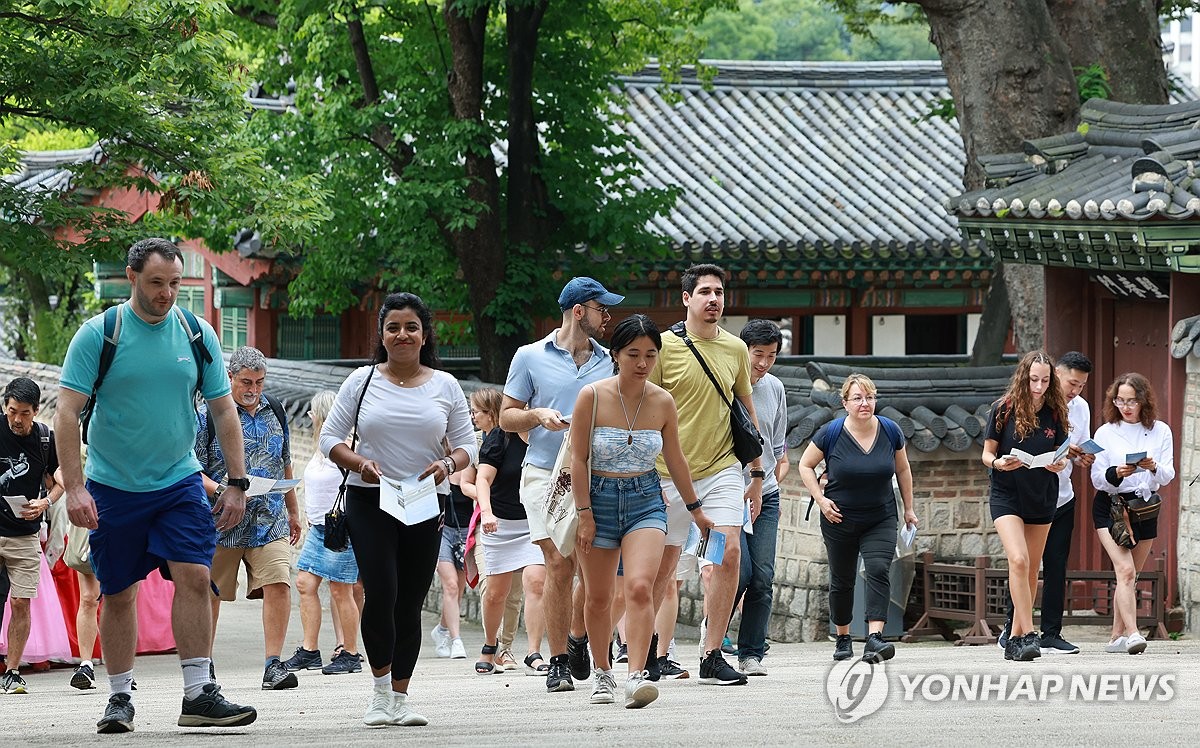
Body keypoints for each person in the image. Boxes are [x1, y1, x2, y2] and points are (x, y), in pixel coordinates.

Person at [56, 237, 257, 733]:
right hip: (112, 485)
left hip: (179, 480)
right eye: (155, 283)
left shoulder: (196, 333)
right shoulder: (99, 334)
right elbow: (65, 413)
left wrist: (236, 482)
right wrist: (76, 487)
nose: (167, 294)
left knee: (194, 576)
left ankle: (198, 693)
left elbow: (224, 410)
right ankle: (120, 698)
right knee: (118, 591)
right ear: (132, 277)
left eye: (173, 283)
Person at [319, 292, 476, 728]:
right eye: (394, 328)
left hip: (426, 500)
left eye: (411, 327)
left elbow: (468, 444)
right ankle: (379, 691)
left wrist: (447, 464)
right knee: (381, 590)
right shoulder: (362, 381)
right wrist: (359, 464)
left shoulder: (446, 385)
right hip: (370, 498)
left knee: (410, 598)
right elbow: (329, 438)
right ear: (382, 335)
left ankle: (402, 697)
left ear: (425, 335)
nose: (403, 335)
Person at [571, 314, 712, 708]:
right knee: (598, 598)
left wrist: (695, 509)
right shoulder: (592, 396)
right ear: (616, 354)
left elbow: (676, 458)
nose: (642, 362)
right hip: (596, 499)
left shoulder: (662, 401)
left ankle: (636, 675)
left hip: (646, 498)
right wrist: (584, 511)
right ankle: (602, 673)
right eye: (633, 353)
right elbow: (578, 460)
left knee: (639, 586)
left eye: (651, 354)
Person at [500, 277, 625, 692]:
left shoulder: (611, 361)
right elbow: (506, 417)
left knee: (591, 569)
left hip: (594, 473)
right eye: (600, 309)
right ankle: (556, 661)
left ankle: (576, 636)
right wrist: (537, 416)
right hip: (543, 472)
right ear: (578, 311)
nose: (607, 317)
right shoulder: (529, 356)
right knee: (558, 563)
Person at [648, 263, 763, 686]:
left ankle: (712, 653)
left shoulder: (735, 349)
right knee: (664, 567)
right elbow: (644, 409)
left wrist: (756, 472)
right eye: (705, 292)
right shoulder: (661, 347)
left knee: (728, 552)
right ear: (686, 299)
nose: (714, 299)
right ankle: (649, 653)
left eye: (719, 292)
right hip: (666, 474)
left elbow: (746, 412)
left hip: (720, 471)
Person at [196, 346, 301, 690]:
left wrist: (293, 510)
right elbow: (192, 470)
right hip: (221, 521)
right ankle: (204, 665)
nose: (253, 388)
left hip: (269, 519)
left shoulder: (277, 410)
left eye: (259, 381)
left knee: (279, 583)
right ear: (230, 378)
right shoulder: (207, 415)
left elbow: (284, 461)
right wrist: (221, 491)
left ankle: (274, 664)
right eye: (245, 381)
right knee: (209, 591)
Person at [798, 373, 916, 664]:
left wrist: (910, 508)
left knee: (878, 568)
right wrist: (821, 500)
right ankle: (843, 636)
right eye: (858, 398)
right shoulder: (831, 432)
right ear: (845, 403)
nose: (865, 403)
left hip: (881, 515)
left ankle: (875, 638)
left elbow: (903, 470)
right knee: (842, 579)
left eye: (870, 397)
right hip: (839, 517)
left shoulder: (890, 430)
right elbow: (804, 465)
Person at [997, 351, 1094, 655]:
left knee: (1054, 566)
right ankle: (1016, 630)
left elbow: (1070, 455)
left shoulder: (1078, 409)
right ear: (1059, 375)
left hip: (1059, 495)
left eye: (1081, 386)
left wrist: (1081, 457)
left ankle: (1049, 632)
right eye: (1071, 383)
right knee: (1021, 562)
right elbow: (993, 448)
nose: (1075, 390)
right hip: (1020, 493)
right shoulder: (1014, 407)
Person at [981, 350, 1070, 663]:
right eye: (1034, 379)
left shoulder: (1056, 410)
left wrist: (1059, 463)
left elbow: (1061, 450)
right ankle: (1029, 633)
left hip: (1043, 493)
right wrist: (998, 462)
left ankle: (1016, 640)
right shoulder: (1003, 408)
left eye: (1045, 380)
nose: (1039, 386)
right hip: (1007, 492)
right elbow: (986, 454)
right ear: (1023, 376)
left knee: (1033, 568)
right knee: (1017, 559)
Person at [1090, 372, 1175, 655]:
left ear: (1143, 401)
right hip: (1111, 506)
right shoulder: (1105, 432)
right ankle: (1133, 633)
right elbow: (1097, 478)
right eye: (1120, 400)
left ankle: (1116, 637)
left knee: (1131, 575)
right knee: (1124, 569)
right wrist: (1117, 472)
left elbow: (1167, 474)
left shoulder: (1161, 430)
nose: (1125, 406)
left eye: (1132, 401)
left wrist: (1151, 466)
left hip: (1144, 507)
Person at [283, 391, 364, 676]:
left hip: (341, 528)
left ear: (321, 414)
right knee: (305, 582)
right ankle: (309, 650)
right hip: (318, 528)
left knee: (341, 589)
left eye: (312, 412)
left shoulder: (345, 446)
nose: (308, 416)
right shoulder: (319, 448)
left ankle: (351, 653)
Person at [732, 320, 789, 676]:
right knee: (738, 573)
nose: (764, 363)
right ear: (743, 352)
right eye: (758, 355)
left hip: (766, 495)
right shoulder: (727, 386)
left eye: (771, 356)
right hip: (728, 496)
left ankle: (751, 652)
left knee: (763, 576)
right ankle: (715, 635)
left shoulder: (776, 388)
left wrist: (773, 480)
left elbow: (778, 448)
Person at [456, 388, 525, 672]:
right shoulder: (475, 443)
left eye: (477, 412)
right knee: (491, 585)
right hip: (488, 520)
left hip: (519, 520)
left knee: (517, 591)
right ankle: (492, 643)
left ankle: (506, 648)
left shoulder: (518, 439)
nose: (473, 416)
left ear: (491, 413)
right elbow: (464, 483)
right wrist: (487, 499)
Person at [473, 416, 547, 676]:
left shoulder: (549, 435)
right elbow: (482, 480)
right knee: (496, 593)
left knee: (536, 583)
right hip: (500, 523)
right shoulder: (501, 436)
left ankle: (533, 652)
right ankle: (490, 646)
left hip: (535, 521)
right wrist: (487, 512)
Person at [0, 377, 60, 693]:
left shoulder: (44, 439)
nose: (17, 420)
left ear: (36, 411)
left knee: (21, 601)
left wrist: (46, 501)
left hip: (25, 534)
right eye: (12, 412)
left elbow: (58, 479)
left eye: (24, 413)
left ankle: (12, 672)